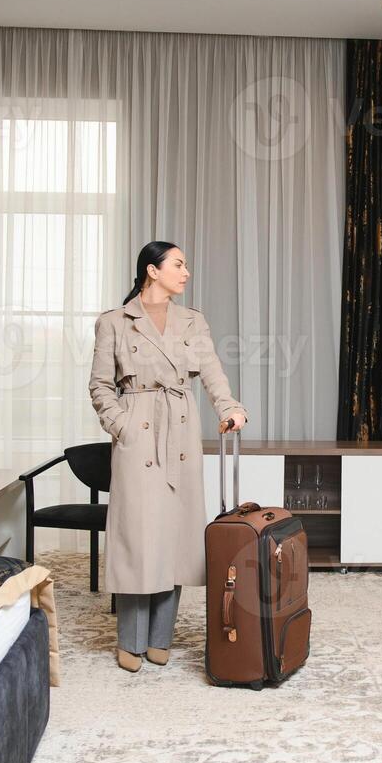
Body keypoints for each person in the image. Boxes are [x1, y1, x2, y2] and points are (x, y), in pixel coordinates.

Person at [87, 241, 248, 672]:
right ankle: (130, 640)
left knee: (175, 537)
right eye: (178, 264)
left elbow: (211, 371)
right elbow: (100, 385)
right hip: (137, 429)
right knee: (138, 538)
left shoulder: (192, 321)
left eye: (186, 265)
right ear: (152, 270)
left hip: (180, 428)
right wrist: (121, 425)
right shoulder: (115, 322)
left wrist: (229, 407)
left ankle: (161, 637)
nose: (186, 272)